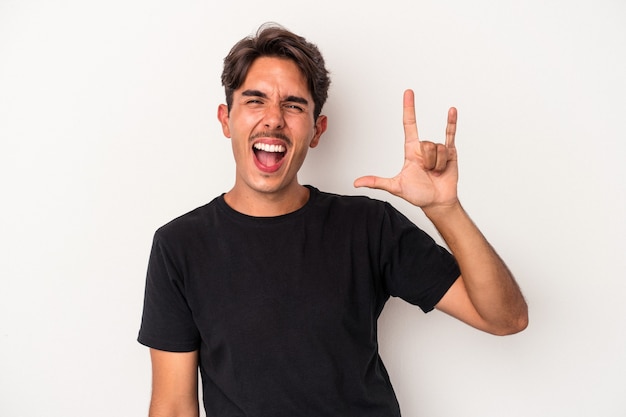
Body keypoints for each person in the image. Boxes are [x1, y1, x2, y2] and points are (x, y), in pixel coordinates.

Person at [138, 23, 528, 417]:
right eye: (255, 101)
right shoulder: (180, 246)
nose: (273, 119)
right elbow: (172, 405)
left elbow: (505, 318)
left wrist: (444, 209)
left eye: (293, 105)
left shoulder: (368, 226)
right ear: (226, 119)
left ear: (317, 130)